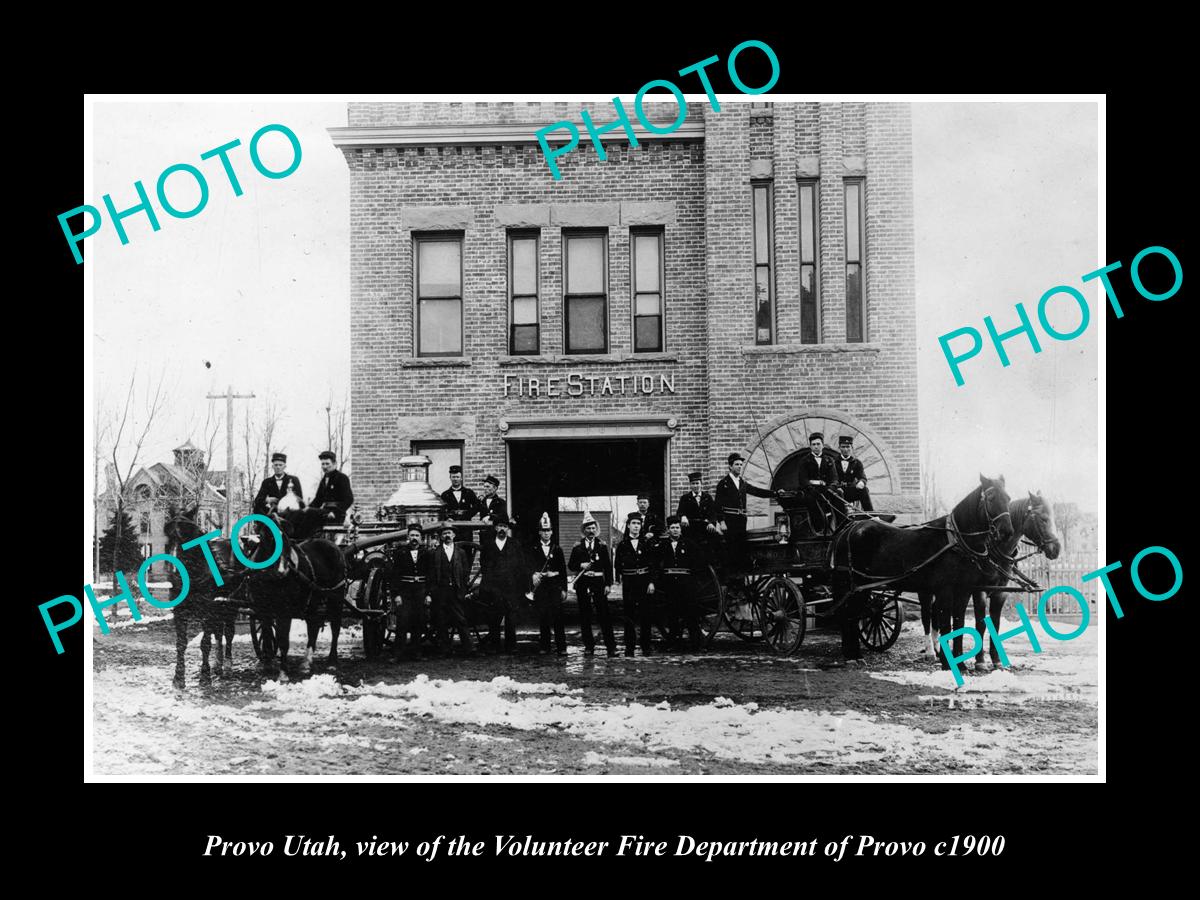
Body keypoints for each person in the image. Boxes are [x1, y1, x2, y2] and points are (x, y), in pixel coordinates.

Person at [714, 452, 779, 572]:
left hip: (741, 520)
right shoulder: (723, 484)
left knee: (741, 547)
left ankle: (741, 574)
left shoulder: (742, 483)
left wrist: (774, 493)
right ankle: (732, 575)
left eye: (741, 464)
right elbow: (717, 505)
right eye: (736, 464)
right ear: (730, 466)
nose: (739, 466)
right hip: (729, 520)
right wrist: (722, 521)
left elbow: (757, 491)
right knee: (732, 548)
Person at [477, 514, 529, 654]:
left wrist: (520, 585)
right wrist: (489, 586)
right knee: (494, 617)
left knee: (511, 617)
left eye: (505, 527)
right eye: (500, 526)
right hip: (493, 588)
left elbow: (521, 566)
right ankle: (495, 645)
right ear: (495, 528)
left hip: (511, 587)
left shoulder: (514, 544)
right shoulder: (488, 545)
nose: (502, 529)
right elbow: (484, 566)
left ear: (508, 529)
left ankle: (511, 646)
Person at [568, 512, 616, 656]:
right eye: (588, 528)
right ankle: (589, 646)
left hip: (598, 583)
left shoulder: (602, 546)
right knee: (585, 615)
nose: (591, 531)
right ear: (584, 530)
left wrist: (608, 584)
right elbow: (571, 565)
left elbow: (608, 567)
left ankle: (611, 647)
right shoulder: (577, 547)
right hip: (583, 584)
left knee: (604, 615)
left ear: (597, 529)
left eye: (593, 528)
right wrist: (580, 565)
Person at [655, 516, 704, 650]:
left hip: (687, 584)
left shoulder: (689, 544)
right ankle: (673, 644)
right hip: (670, 584)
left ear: (680, 529)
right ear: (668, 530)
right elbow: (655, 563)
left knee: (691, 614)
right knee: (673, 614)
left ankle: (695, 644)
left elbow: (698, 563)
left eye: (677, 527)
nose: (675, 530)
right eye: (672, 528)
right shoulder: (663, 546)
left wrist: (694, 581)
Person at [425, 522, 475, 655]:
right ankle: (445, 649)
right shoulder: (434, 553)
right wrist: (432, 592)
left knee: (461, 619)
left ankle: (469, 648)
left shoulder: (461, 553)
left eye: (449, 533)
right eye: (445, 533)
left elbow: (465, 572)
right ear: (441, 536)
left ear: (454, 535)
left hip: (456, 591)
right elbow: (430, 575)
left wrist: (464, 589)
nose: (447, 535)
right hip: (440, 591)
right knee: (441, 620)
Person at [614, 512, 657, 656]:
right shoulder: (622, 545)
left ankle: (646, 646)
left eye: (638, 524)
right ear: (628, 526)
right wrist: (621, 579)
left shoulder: (647, 544)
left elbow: (653, 564)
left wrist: (651, 582)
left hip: (644, 581)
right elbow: (617, 566)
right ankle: (629, 647)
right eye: (633, 523)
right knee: (629, 615)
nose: (636, 527)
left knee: (646, 615)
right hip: (629, 583)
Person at [389, 522, 431, 658]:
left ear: (421, 538)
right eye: (412, 535)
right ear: (408, 537)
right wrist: (396, 594)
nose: (414, 538)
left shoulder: (427, 553)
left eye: (417, 535)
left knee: (418, 621)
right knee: (402, 621)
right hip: (405, 591)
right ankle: (398, 653)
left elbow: (431, 576)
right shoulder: (400, 553)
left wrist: (428, 594)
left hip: (421, 590)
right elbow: (395, 575)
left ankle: (416, 652)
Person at [529, 512, 568, 655]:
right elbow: (529, 566)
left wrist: (564, 589)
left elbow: (563, 570)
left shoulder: (557, 549)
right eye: (544, 531)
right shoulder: (533, 549)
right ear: (539, 532)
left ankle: (562, 647)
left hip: (554, 587)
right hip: (540, 588)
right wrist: (533, 574)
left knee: (558, 616)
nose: (546, 533)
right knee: (543, 616)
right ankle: (544, 646)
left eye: (548, 530)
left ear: (552, 532)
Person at [796, 433, 842, 534]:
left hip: (826, 489)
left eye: (818, 444)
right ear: (810, 446)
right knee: (811, 499)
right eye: (813, 444)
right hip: (811, 490)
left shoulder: (829, 460)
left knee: (839, 494)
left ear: (823, 445)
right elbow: (803, 479)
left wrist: (831, 488)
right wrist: (811, 487)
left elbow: (834, 478)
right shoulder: (804, 460)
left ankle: (841, 525)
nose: (816, 447)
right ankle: (819, 528)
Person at [676, 471, 719, 546]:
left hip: (705, 529)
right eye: (693, 483)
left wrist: (711, 523)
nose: (695, 486)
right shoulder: (685, 498)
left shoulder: (707, 497)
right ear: (690, 485)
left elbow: (713, 513)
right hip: (691, 530)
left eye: (697, 483)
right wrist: (683, 516)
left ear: (701, 484)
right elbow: (680, 512)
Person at [835, 435, 873, 511]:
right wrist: (836, 486)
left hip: (849, 491)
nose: (845, 449)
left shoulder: (856, 462)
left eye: (848, 447)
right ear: (839, 448)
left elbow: (862, 476)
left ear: (852, 448)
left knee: (864, 490)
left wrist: (861, 482)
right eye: (843, 447)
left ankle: (870, 514)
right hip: (836, 491)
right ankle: (843, 519)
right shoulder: (833, 462)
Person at [477, 474, 508, 542]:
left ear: (495, 488)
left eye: (488, 487)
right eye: (484, 487)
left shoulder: (501, 502)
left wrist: (490, 517)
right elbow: (470, 512)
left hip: (495, 535)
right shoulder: (481, 501)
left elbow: (503, 516)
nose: (485, 489)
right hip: (484, 535)